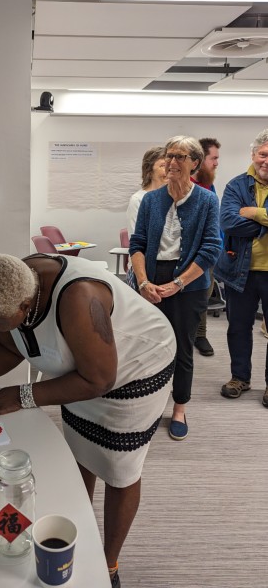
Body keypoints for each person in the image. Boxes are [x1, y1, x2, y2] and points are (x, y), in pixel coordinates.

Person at [0, 253, 177, 588]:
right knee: (80, 454)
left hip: (136, 370)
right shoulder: (16, 280)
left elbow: (99, 380)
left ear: (27, 304)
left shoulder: (78, 298)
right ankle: (80, 533)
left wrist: (21, 396)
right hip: (79, 375)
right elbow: (11, 347)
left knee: (120, 469)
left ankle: (109, 564)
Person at [130, 135, 221, 440]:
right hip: (152, 277)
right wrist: (143, 282)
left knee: (182, 348)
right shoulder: (150, 200)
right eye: (169, 155)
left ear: (194, 163)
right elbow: (138, 243)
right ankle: (149, 404)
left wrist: (178, 283)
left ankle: (179, 408)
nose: (171, 162)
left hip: (190, 282)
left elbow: (210, 249)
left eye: (180, 156)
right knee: (148, 346)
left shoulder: (207, 200)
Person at [215, 128, 268, 406]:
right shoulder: (236, 185)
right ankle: (240, 378)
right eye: (263, 154)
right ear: (253, 155)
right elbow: (229, 223)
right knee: (238, 327)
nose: (266, 161)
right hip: (239, 271)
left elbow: (242, 220)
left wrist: (255, 213)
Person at [191, 138, 221, 357]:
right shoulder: (186, 184)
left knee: (204, 293)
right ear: (200, 160)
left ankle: (200, 335)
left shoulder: (209, 183)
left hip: (208, 251)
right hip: (190, 252)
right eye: (214, 158)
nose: (217, 163)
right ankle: (187, 335)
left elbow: (216, 220)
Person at [126, 146, 167, 237]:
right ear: (149, 171)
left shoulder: (174, 197)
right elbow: (135, 238)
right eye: (163, 166)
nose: (168, 171)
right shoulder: (138, 199)